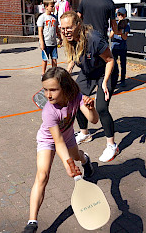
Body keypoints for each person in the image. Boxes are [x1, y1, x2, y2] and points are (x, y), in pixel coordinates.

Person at [23, 67, 98, 233]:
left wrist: (91, 108)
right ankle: (32, 222)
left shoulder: (76, 97)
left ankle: (85, 159)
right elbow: (57, 142)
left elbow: (93, 121)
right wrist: (68, 165)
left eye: (53, 90)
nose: (48, 95)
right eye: (45, 89)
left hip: (69, 137)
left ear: (64, 87)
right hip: (48, 140)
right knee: (42, 175)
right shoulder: (49, 111)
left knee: (77, 156)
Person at [60, 11, 119, 163]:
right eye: (63, 28)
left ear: (78, 25)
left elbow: (110, 60)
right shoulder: (70, 39)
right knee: (74, 97)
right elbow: (74, 56)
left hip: (106, 72)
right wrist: (68, 71)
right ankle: (85, 133)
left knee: (101, 107)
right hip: (88, 71)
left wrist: (105, 82)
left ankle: (112, 145)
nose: (65, 31)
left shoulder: (94, 39)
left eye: (69, 28)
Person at [37, 0, 60, 76]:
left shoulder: (54, 17)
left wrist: (60, 37)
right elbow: (40, 31)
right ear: (46, 7)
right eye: (51, 6)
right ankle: (43, 73)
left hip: (53, 42)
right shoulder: (42, 17)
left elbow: (56, 29)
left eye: (53, 6)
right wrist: (41, 43)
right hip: (46, 42)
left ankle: (54, 73)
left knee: (54, 59)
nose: (53, 8)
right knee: (45, 59)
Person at [109, 7, 130, 87]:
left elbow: (125, 38)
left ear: (125, 15)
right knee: (113, 64)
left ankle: (123, 80)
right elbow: (110, 36)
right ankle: (113, 79)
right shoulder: (114, 23)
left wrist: (121, 32)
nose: (120, 16)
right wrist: (115, 30)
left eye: (122, 15)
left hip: (122, 47)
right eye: (119, 14)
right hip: (115, 47)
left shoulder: (127, 25)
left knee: (123, 64)